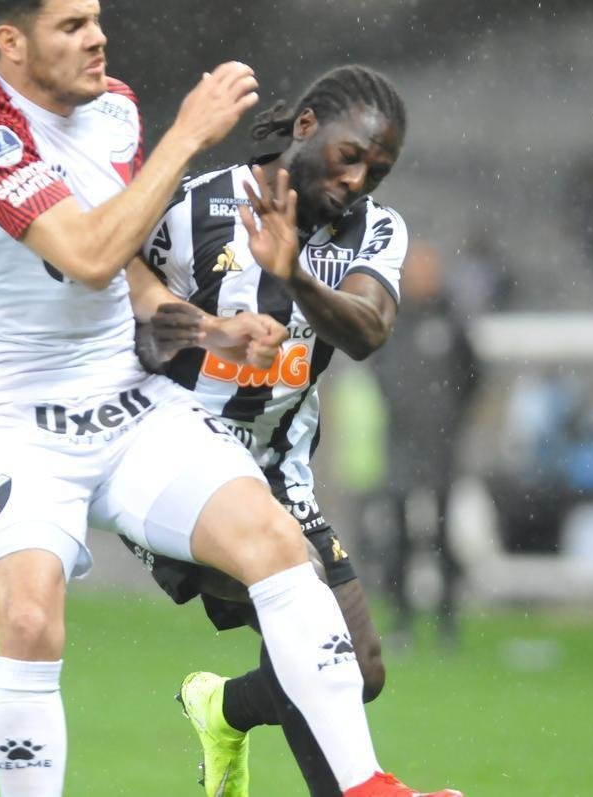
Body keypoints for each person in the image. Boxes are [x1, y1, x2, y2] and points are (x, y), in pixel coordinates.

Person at [0, 3, 456, 796]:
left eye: (96, 17)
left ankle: (361, 785)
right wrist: (188, 136)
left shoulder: (114, 113)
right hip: (16, 413)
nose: (97, 36)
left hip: (131, 405)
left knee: (290, 561)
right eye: (71, 24)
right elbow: (90, 256)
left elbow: (132, 282)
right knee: (32, 622)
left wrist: (213, 330)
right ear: (12, 40)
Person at [126, 65, 461, 797]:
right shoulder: (192, 210)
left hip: (283, 475)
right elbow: (131, 318)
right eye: (352, 156)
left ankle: (220, 706)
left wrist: (298, 276)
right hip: (181, 456)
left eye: (379, 168)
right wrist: (207, 334)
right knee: (309, 634)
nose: (361, 180)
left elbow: (369, 328)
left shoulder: (376, 228)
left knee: (360, 671)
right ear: (306, 127)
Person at [367, 241, 479, 652]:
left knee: (443, 537)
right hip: (400, 445)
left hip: (441, 448)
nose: (423, 278)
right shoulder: (393, 322)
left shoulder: (452, 322)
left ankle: (447, 623)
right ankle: (401, 621)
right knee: (396, 536)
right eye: (417, 271)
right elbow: (378, 372)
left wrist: (447, 419)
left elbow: (472, 376)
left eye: (429, 270)